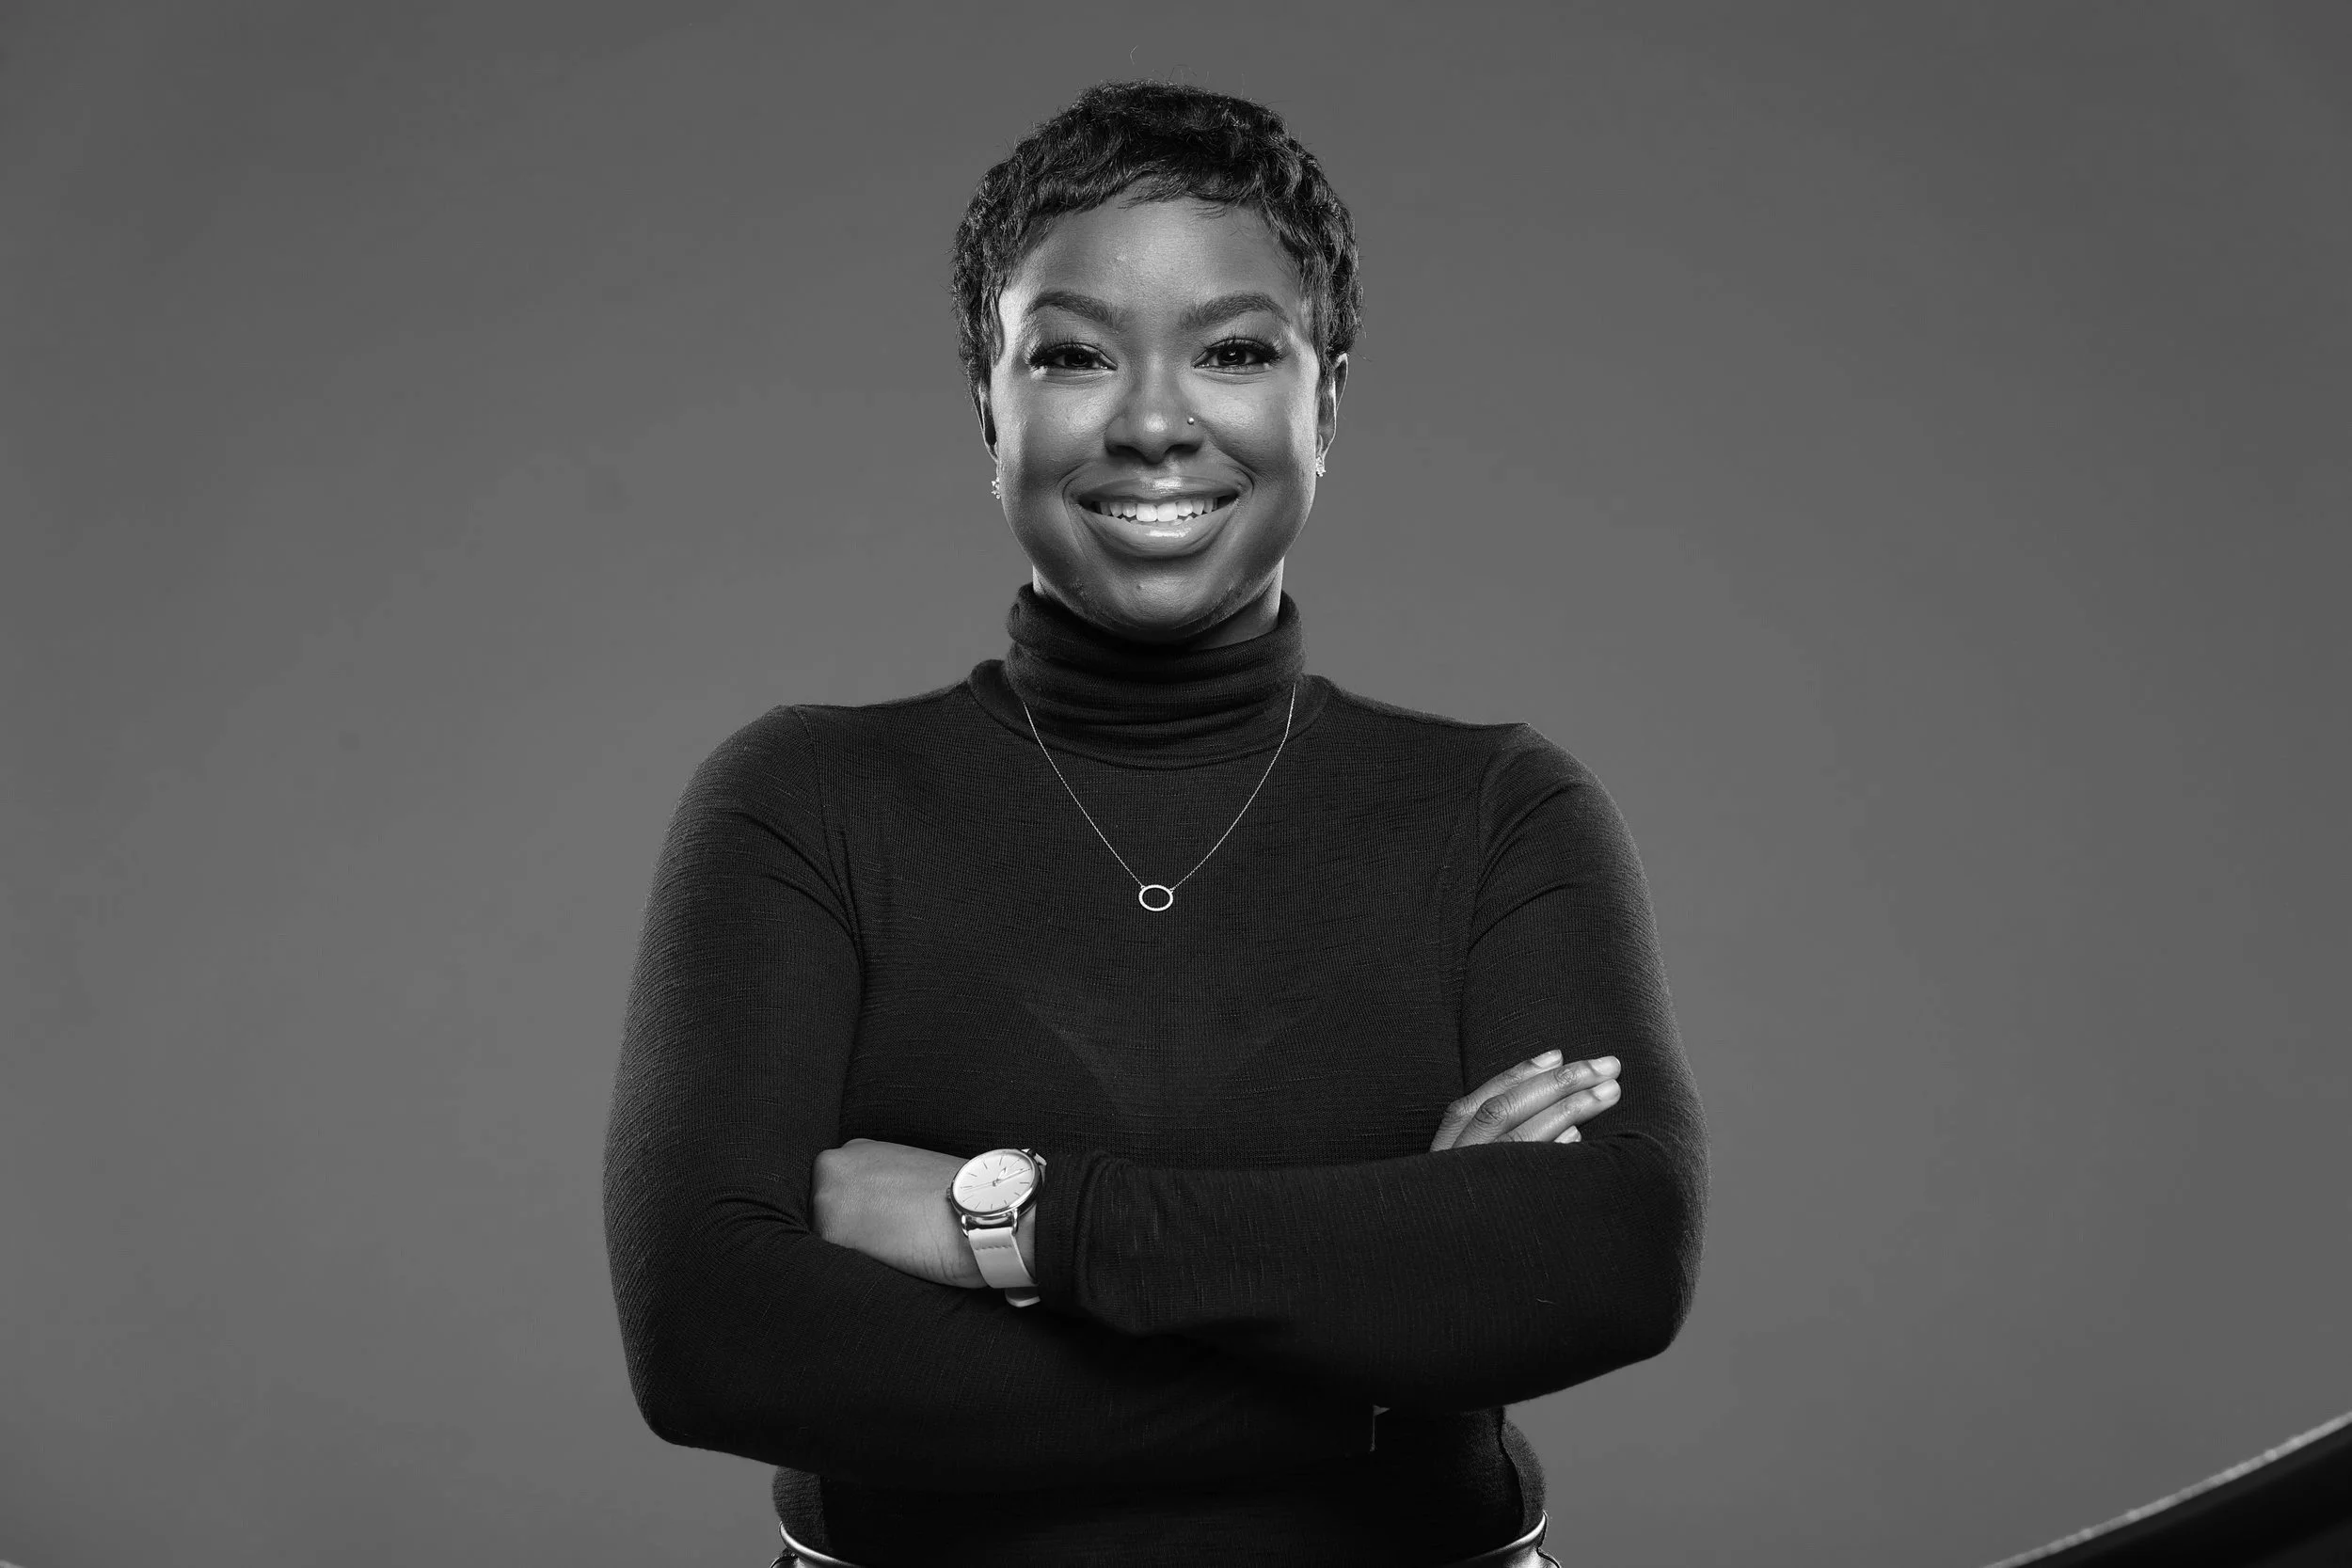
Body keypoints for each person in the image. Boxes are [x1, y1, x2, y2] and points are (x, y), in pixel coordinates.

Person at [602, 80, 1708, 1568]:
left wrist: (1018, 1222)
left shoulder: (1501, 814)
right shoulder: (806, 803)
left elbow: (1613, 1253)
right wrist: (1377, 1339)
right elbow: (713, 1335)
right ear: (987, 403)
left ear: (1326, 402)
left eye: (1235, 350)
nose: (1152, 423)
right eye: (1071, 354)